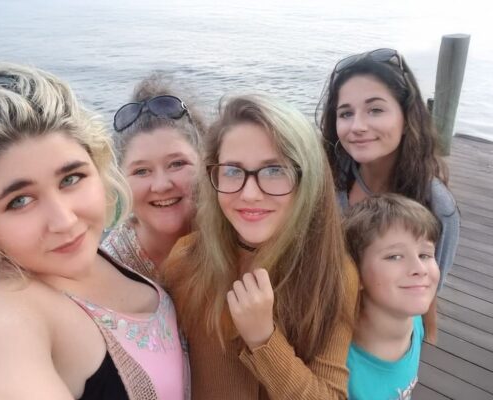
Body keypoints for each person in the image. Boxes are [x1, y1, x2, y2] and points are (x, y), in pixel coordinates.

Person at [0, 63, 187, 399]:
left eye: (71, 179)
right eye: (19, 201)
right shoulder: (0, 312)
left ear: (99, 168)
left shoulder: (101, 254)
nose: (64, 221)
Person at [163, 94, 359, 399]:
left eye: (274, 170)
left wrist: (263, 340)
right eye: (232, 171)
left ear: (308, 178)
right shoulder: (186, 261)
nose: (250, 194)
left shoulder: (332, 273)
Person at [318, 48, 459, 289]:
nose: (357, 126)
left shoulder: (437, 205)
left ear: (407, 119)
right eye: (346, 113)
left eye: (375, 110)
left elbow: (428, 293)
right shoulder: (329, 176)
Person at [101, 75, 204, 280]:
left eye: (177, 164)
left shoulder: (238, 238)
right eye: (141, 171)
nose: (161, 185)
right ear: (120, 180)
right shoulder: (109, 270)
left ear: (205, 161)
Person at [343, 194, 440, 400]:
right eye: (394, 256)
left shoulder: (415, 322)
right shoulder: (342, 369)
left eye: (425, 255)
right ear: (355, 273)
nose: (420, 268)